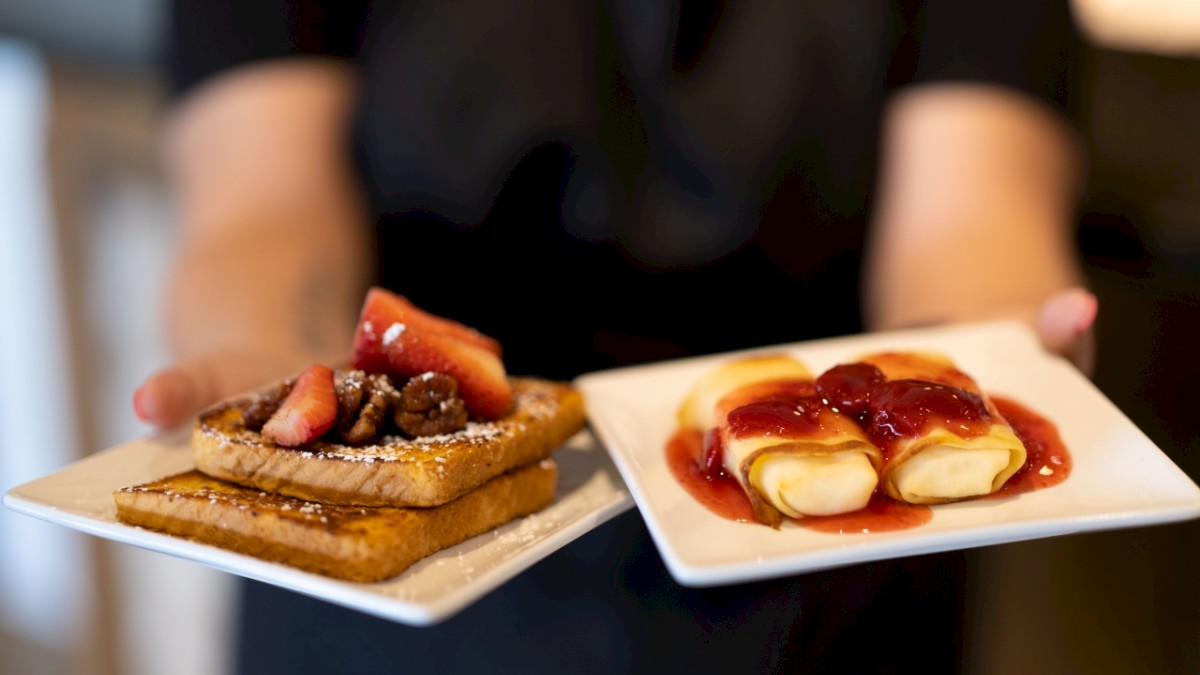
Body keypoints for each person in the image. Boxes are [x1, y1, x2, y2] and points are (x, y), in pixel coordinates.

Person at [134, 2, 1097, 673]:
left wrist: (983, 360)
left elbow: (972, 217)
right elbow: (262, 206)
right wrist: (275, 371)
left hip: (823, 595)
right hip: (398, 597)